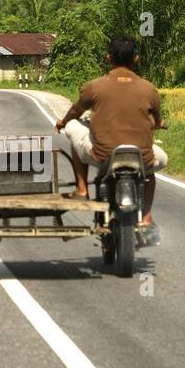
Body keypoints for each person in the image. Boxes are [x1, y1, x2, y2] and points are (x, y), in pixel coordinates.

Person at [55, 35, 167, 236]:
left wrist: (63, 122)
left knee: (73, 128)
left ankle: (82, 189)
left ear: (108, 58)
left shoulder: (94, 86)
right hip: (141, 157)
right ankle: (147, 217)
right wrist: (159, 124)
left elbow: (75, 112)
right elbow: (157, 120)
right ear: (136, 59)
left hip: (103, 155)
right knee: (151, 169)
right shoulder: (149, 89)